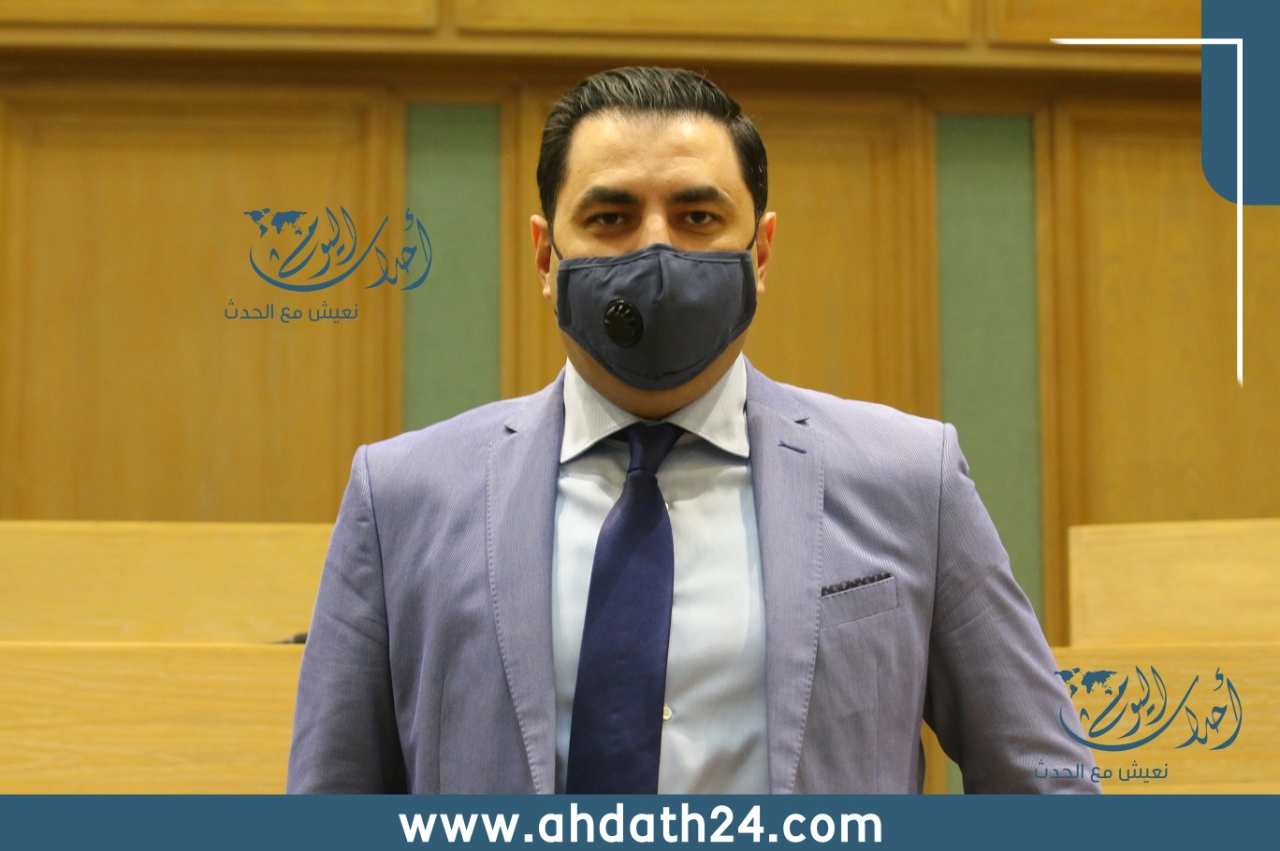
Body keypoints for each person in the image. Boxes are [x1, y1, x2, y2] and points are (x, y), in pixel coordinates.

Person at [287, 66, 1097, 794]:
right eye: (610, 216)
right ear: (544, 256)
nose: (656, 250)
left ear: (761, 252)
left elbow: (1044, 781)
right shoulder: (401, 498)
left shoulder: (913, 479)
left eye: (698, 215)